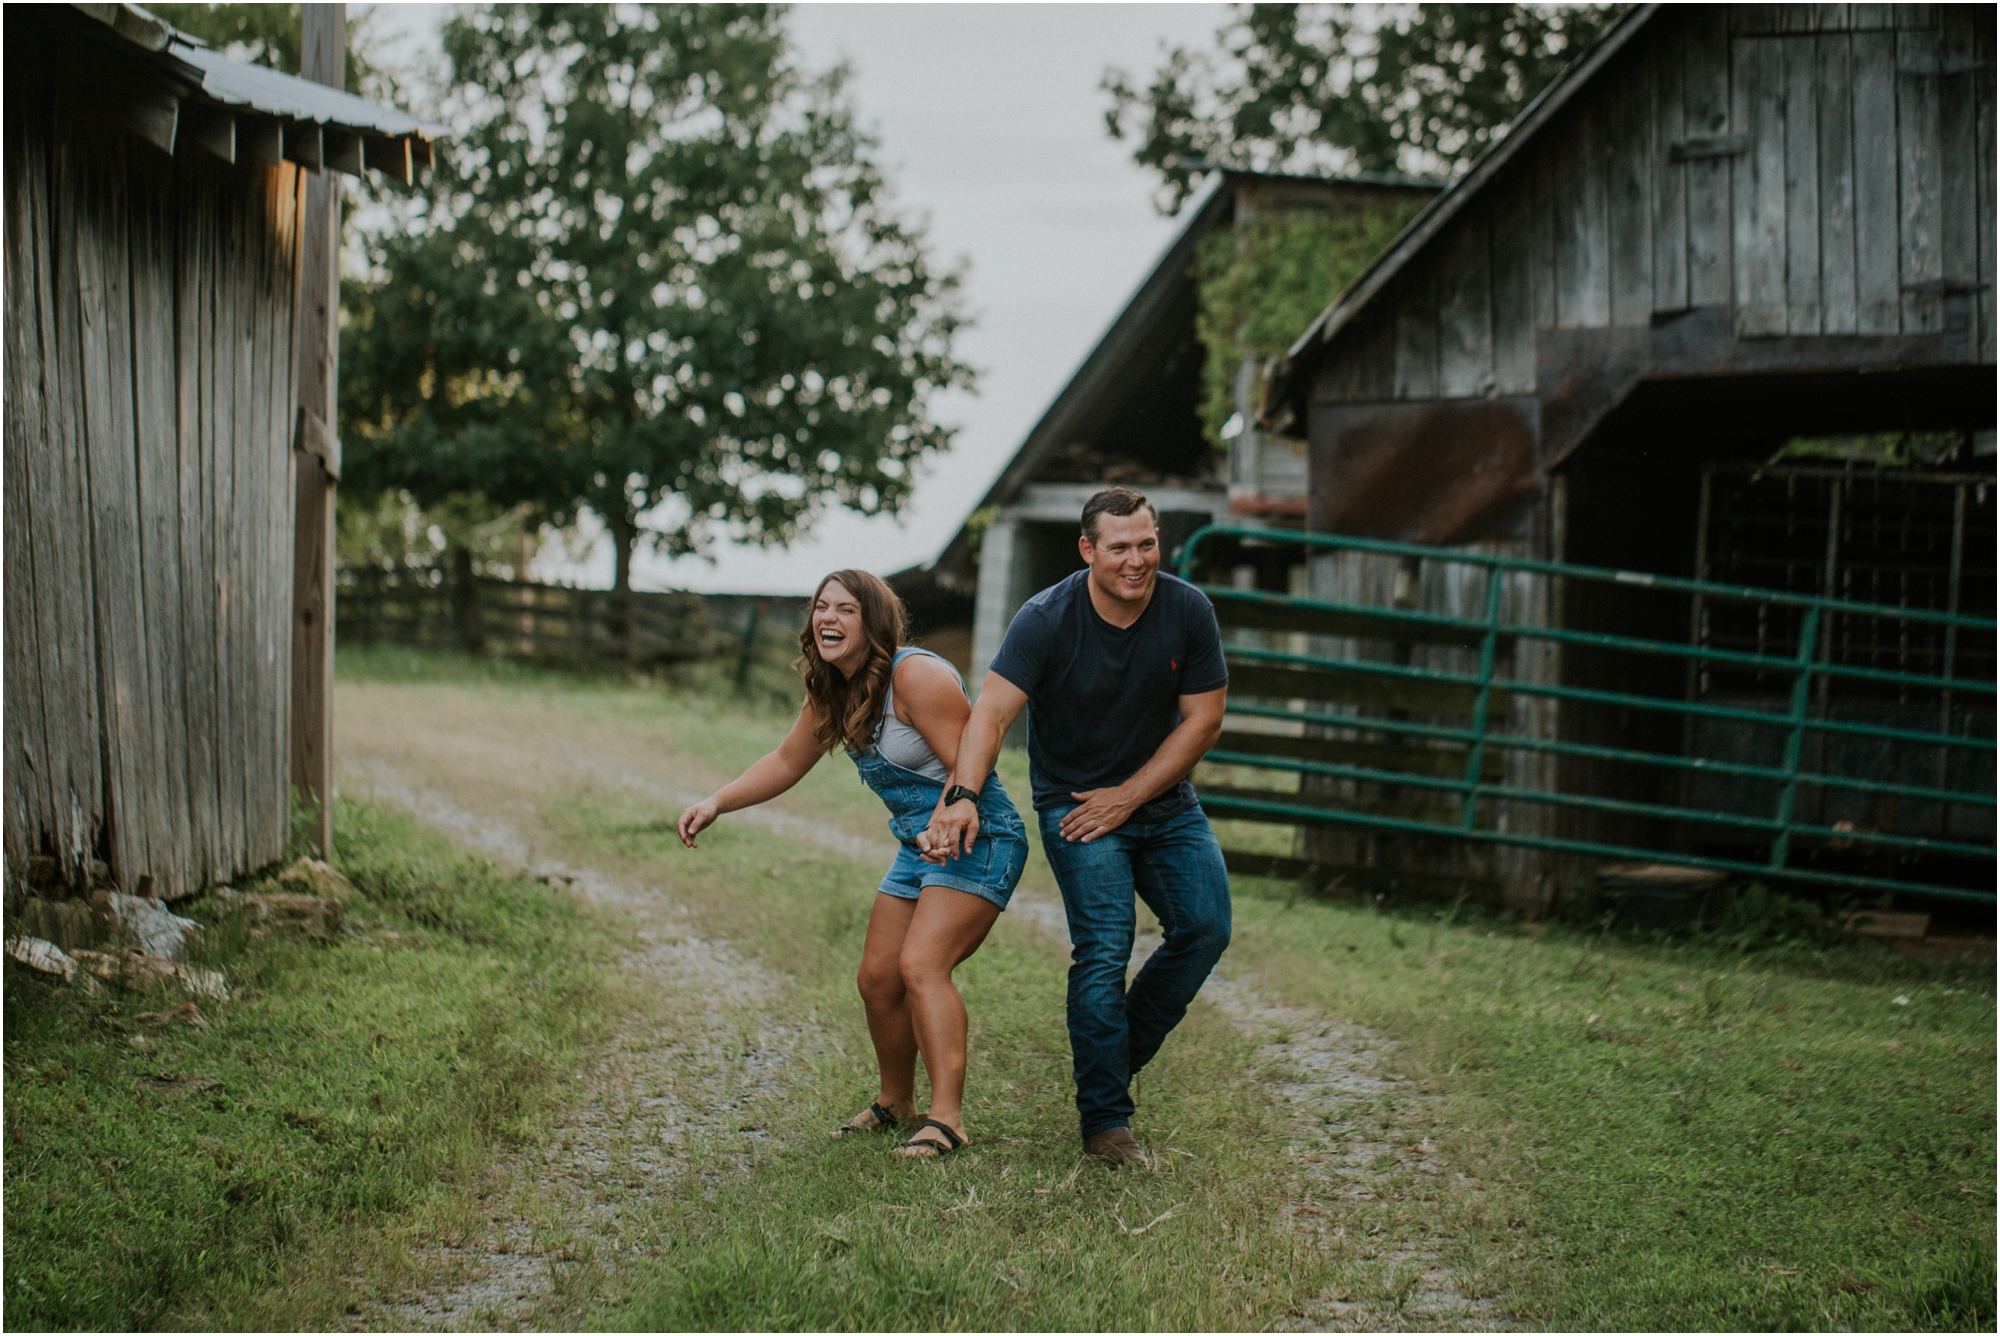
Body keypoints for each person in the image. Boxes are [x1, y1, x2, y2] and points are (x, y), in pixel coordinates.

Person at [925, 486, 1230, 1166]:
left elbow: (1203, 721)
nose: (1136, 560)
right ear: (1089, 549)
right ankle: (1106, 1127)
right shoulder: (1046, 618)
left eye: (1146, 543)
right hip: (1073, 803)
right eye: (1119, 547)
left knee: (1207, 927)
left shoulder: (1187, 610)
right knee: (1104, 948)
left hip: (1161, 801)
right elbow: (993, 713)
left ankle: (1109, 1061)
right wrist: (963, 793)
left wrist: (1128, 796)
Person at [676, 570, 1027, 1157]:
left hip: (978, 833)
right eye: (821, 607)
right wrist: (717, 802)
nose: (828, 618)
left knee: (921, 966)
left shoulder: (915, 676)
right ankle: (896, 1104)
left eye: (846, 609)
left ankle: (947, 1120)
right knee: (877, 978)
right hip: (918, 845)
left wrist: (950, 818)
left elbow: (973, 765)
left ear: (874, 622)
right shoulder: (833, 689)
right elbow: (787, 761)